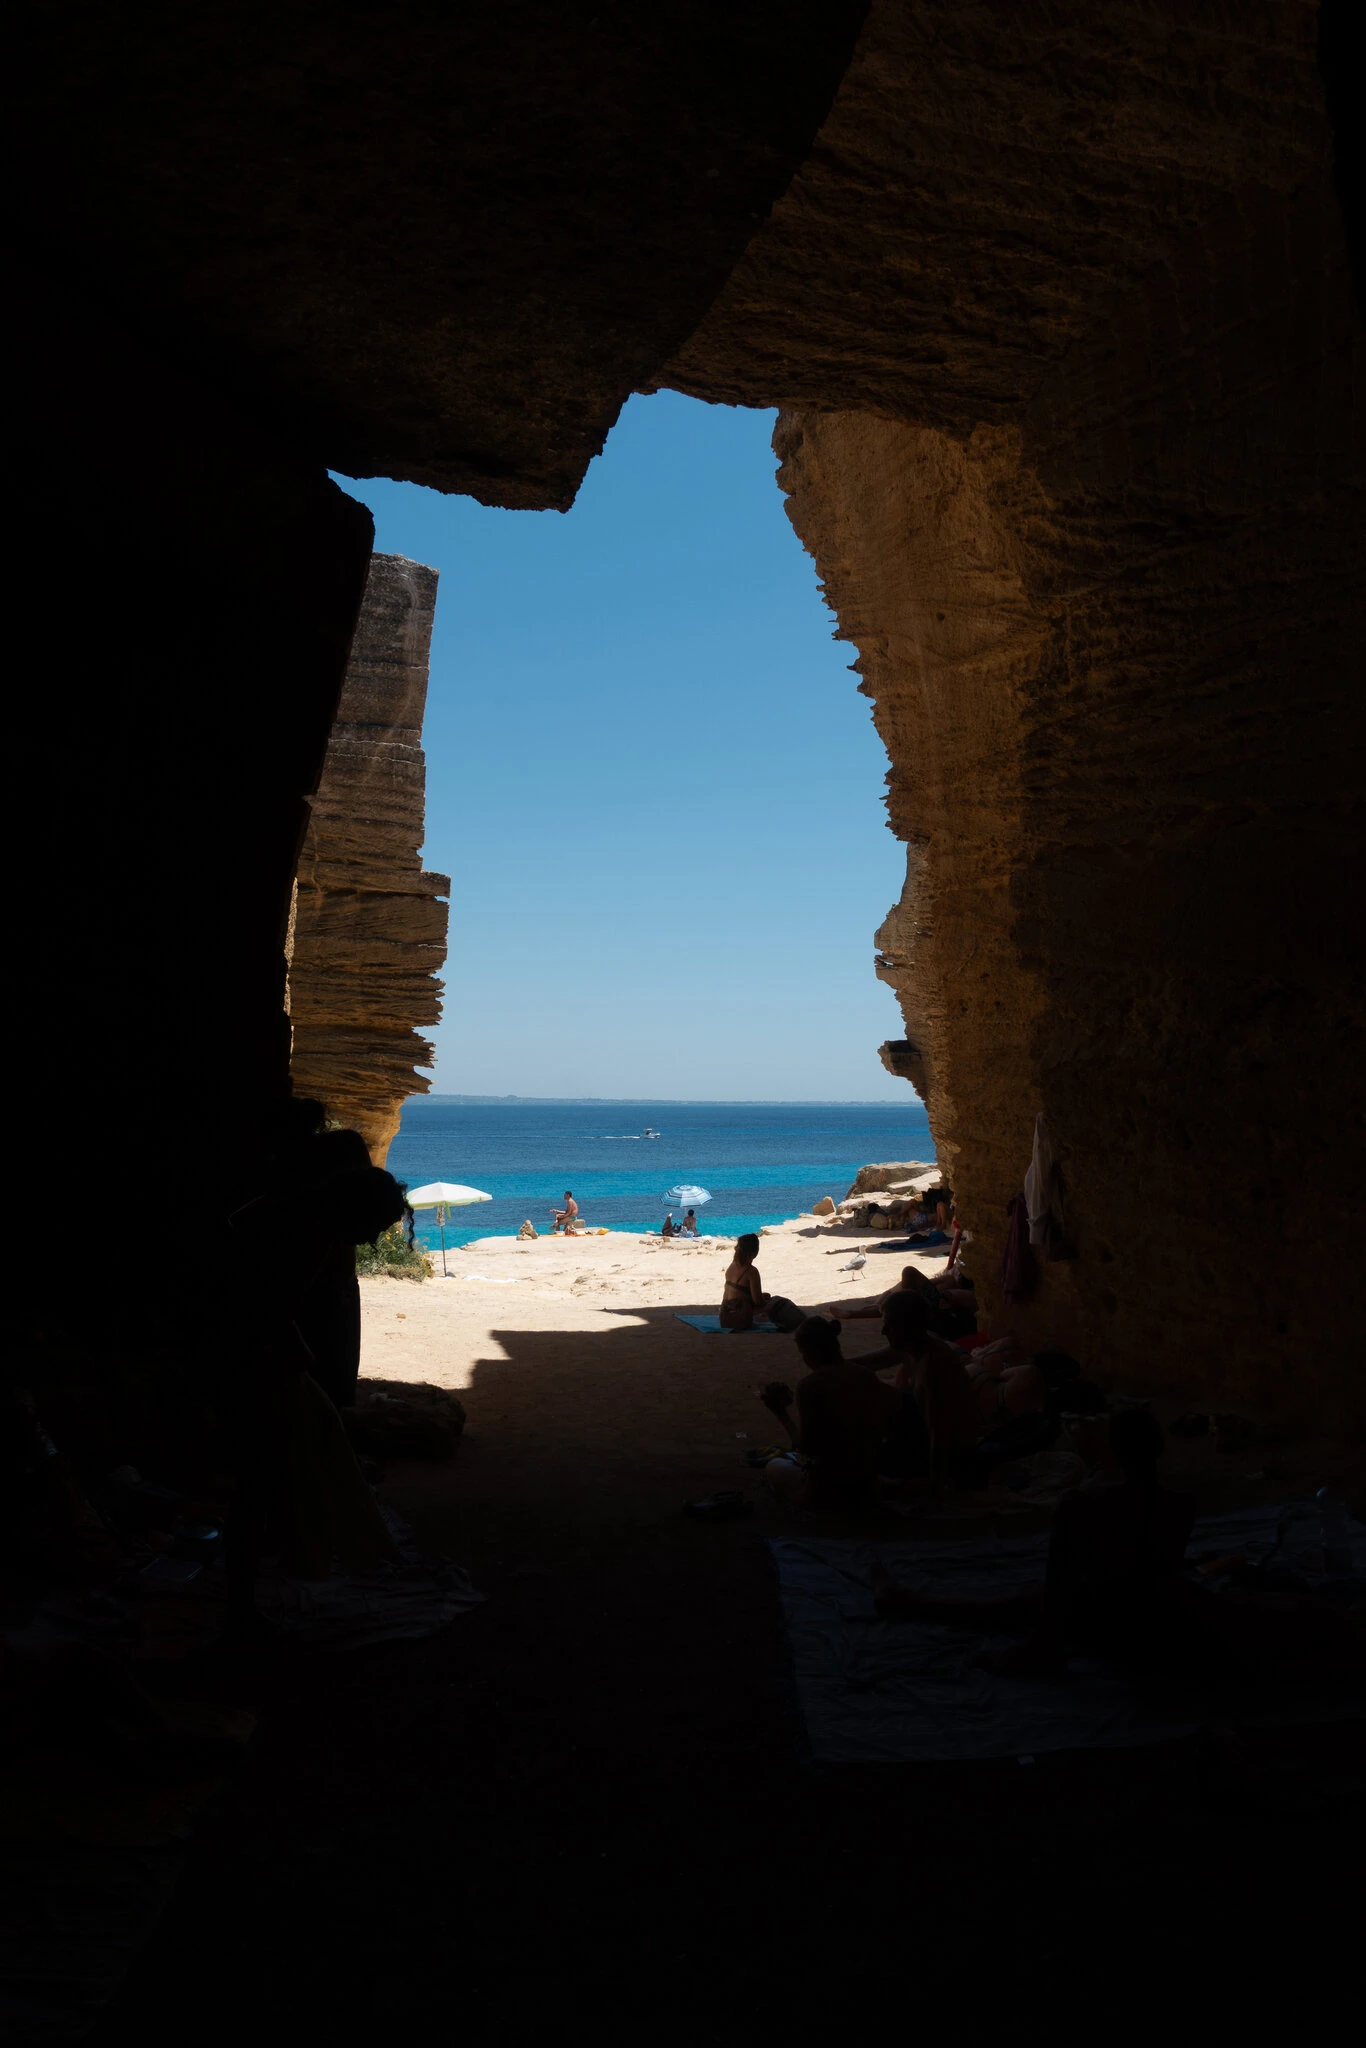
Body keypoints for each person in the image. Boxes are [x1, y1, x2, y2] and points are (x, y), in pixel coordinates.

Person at [758, 1317, 916, 1512]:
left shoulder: (810, 1385)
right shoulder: (864, 1375)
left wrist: (781, 1414)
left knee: (774, 1466)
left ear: (808, 1352)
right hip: (866, 1479)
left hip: (829, 1489)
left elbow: (807, 1448)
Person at [719, 1233, 804, 1331]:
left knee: (767, 1297)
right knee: (778, 1301)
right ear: (755, 1251)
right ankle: (799, 1322)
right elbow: (758, 1302)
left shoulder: (732, 1266)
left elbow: (739, 1294)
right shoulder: (751, 1271)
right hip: (740, 1318)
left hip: (724, 1316)